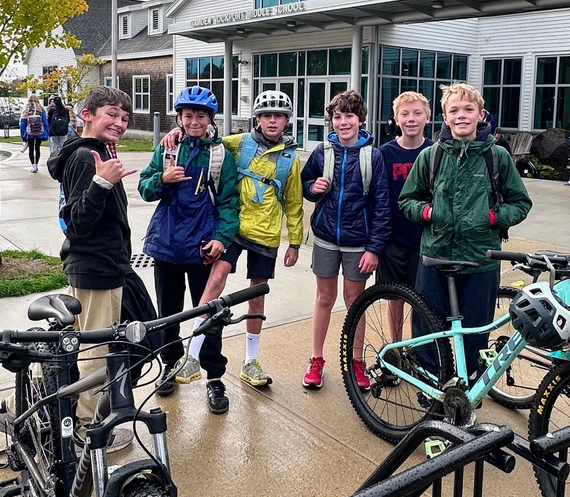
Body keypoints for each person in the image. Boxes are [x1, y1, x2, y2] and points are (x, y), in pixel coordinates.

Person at [0, 86, 140, 452]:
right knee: (96, 350)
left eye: (124, 117)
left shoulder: (88, 152)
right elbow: (78, 221)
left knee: (72, 343)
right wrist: (104, 183)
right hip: (97, 267)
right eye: (111, 114)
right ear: (86, 114)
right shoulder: (87, 157)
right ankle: (87, 428)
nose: (119, 122)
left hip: (95, 264)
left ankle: (29, 405)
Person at [157, 90, 303, 389]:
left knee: (256, 296)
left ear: (287, 120)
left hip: (267, 231)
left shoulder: (291, 158)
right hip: (235, 228)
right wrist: (177, 132)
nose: (272, 121)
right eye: (266, 115)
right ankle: (192, 356)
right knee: (215, 282)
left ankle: (250, 359)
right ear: (257, 119)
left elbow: (294, 200)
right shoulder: (239, 143)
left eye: (278, 116)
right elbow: (204, 141)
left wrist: (296, 241)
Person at [398, 82, 532, 380]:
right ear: (444, 117)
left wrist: (492, 217)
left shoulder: (497, 156)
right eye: (454, 110)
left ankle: (470, 385)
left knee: (475, 330)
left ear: (480, 115)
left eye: (468, 109)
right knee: (429, 326)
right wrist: (428, 212)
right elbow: (408, 199)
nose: (461, 116)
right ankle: (429, 385)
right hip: (435, 257)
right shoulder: (430, 156)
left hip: (480, 259)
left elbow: (520, 202)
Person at [138, 87, 239, 415]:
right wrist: (163, 180)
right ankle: (169, 363)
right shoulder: (168, 147)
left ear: (211, 118)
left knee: (208, 314)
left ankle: (214, 376)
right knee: (168, 312)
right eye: (188, 115)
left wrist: (222, 238)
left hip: (201, 248)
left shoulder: (221, 155)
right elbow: (144, 187)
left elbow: (229, 202)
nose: (194, 121)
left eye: (201, 116)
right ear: (178, 118)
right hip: (166, 245)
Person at [300, 89, 391, 390]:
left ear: (360, 119)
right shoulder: (322, 153)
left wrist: (375, 248)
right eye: (337, 117)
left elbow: (382, 206)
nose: (342, 122)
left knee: (355, 302)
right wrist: (314, 187)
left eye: (348, 116)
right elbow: (304, 185)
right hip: (326, 237)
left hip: (358, 244)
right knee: (324, 298)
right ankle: (316, 359)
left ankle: (356, 361)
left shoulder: (373, 157)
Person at [377, 91, 433, 339]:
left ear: (428, 118)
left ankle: (418, 351)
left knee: (423, 300)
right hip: (393, 240)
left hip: (426, 239)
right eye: (405, 114)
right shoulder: (385, 153)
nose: (411, 119)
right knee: (395, 298)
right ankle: (396, 349)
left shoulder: (436, 151)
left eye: (417, 113)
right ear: (396, 120)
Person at [20, 95, 49, 172]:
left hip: (29, 133)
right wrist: (47, 133)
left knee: (31, 149)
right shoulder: (41, 110)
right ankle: (37, 164)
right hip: (40, 132)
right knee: (37, 148)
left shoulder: (26, 110)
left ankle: (34, 166)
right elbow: (46, 123)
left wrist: (23, 135)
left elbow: (22, 124)